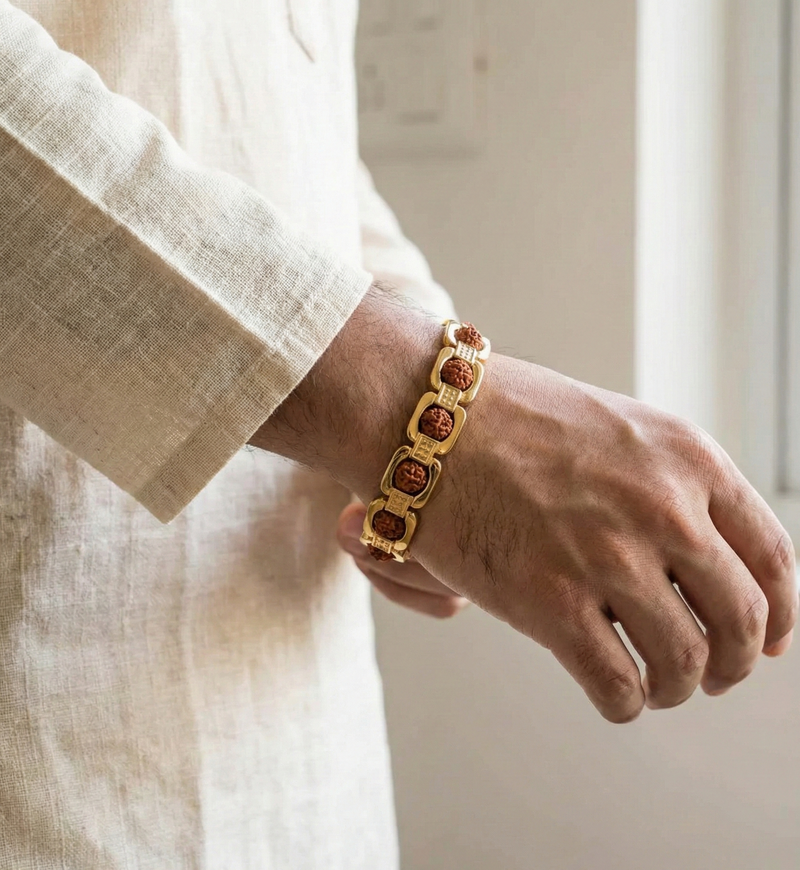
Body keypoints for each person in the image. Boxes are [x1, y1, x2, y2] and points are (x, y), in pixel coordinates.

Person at [0, 1, 796, 867]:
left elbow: (270, 111)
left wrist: (443, 418)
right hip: (46, 700)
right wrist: (425, 412)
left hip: (303, 725)